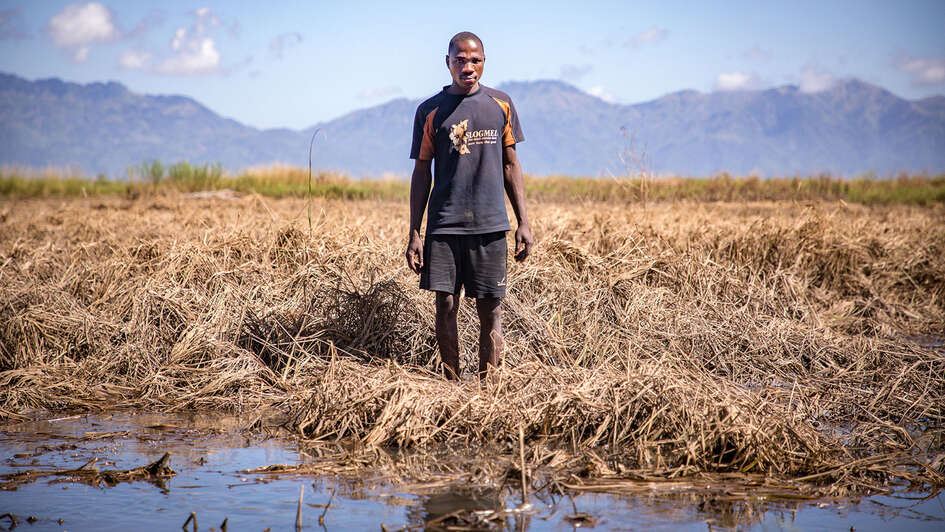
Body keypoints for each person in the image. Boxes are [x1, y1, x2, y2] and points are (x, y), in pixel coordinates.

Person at [405, 31, 533, 380]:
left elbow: (511, 165)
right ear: (447, 63)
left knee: (490, 309)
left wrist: (523, 221)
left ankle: (488, 386)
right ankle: (450, 382)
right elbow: (421, 171)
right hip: (444, 226)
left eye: (474, 60)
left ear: (484, 63)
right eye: (459, 60)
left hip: (491, 225)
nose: (467, 66)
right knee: (445, 304)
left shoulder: (501, 104)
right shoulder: (430, 110)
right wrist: (415, 231)